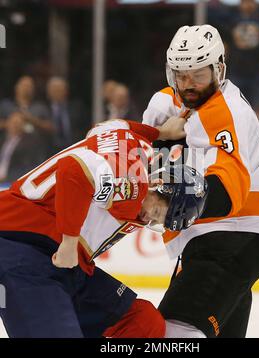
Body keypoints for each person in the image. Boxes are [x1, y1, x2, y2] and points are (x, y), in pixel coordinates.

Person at [143, 24, 259, 338]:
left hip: (232, 237)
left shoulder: (227, 110)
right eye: (181, 75)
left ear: (219, 69)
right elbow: (143, 151)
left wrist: (164, 204)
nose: (189, 84)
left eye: (198, 74)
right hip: (209, 241)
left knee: (172, 335)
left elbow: (225, 192)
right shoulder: (171, 102)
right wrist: (155, 139)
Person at [0, 116, 194, 338]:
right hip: (22, 248)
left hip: (59, 262)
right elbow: (72, 170)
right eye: (158, 212)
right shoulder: (132, 189)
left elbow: (110, 126)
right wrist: (69, 242)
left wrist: (160, 133)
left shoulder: (133, 145)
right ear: (158, 184)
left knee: (142, 322)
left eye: (156, 222)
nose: (149, 219)